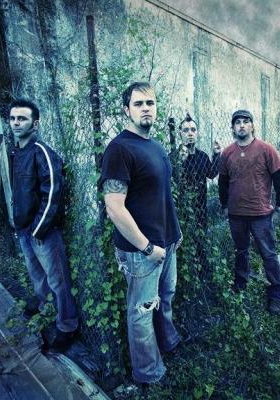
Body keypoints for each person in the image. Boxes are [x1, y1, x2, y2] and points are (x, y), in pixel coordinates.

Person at [100, 82, 182, 385]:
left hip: (167, 242)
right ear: (126, 110)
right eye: (138, 104)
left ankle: (167, 343)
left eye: (150, 103)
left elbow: (162, 195)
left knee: (166, 297)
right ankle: (148, 373)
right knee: (141, 311)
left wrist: (175, 233)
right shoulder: (119, 149)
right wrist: (147, 248)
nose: (146, 108)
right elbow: (114, 208)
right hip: (142, 251)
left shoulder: (155, 146)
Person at [9, 98, 78, 351]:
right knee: (37, 275)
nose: (16, 123)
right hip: (24, 230)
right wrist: (19, 225)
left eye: (22, 118)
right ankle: (46, 309)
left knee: (58, 281)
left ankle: (67, 326)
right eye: (13, 118)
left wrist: (39, 228)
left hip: (43, 231)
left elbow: (53, 193)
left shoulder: (42, 152)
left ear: (35, 124)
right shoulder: (16, 152)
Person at [218, 109, 280, 315]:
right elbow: (223, 183)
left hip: (261, 215)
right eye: (237, 122)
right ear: (233, 128)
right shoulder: (227, 153)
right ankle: (240, 284)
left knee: (268, 253)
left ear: (252, 126)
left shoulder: (266, 150)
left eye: (245, 121)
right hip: (236, 215)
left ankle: (276, 293)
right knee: (240, 251)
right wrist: (225, 206)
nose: (241, 125)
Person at [179, 113, 221, 229]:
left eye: (193, 130)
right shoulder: (174, 157)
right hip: (182, 210)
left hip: (201, 208)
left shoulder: (202, 156)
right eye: (186, 130)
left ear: (197, 133)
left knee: (201, 236)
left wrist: (216, 155)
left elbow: (211, 174)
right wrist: (180, 161)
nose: (190, 133)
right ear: (180, 134)